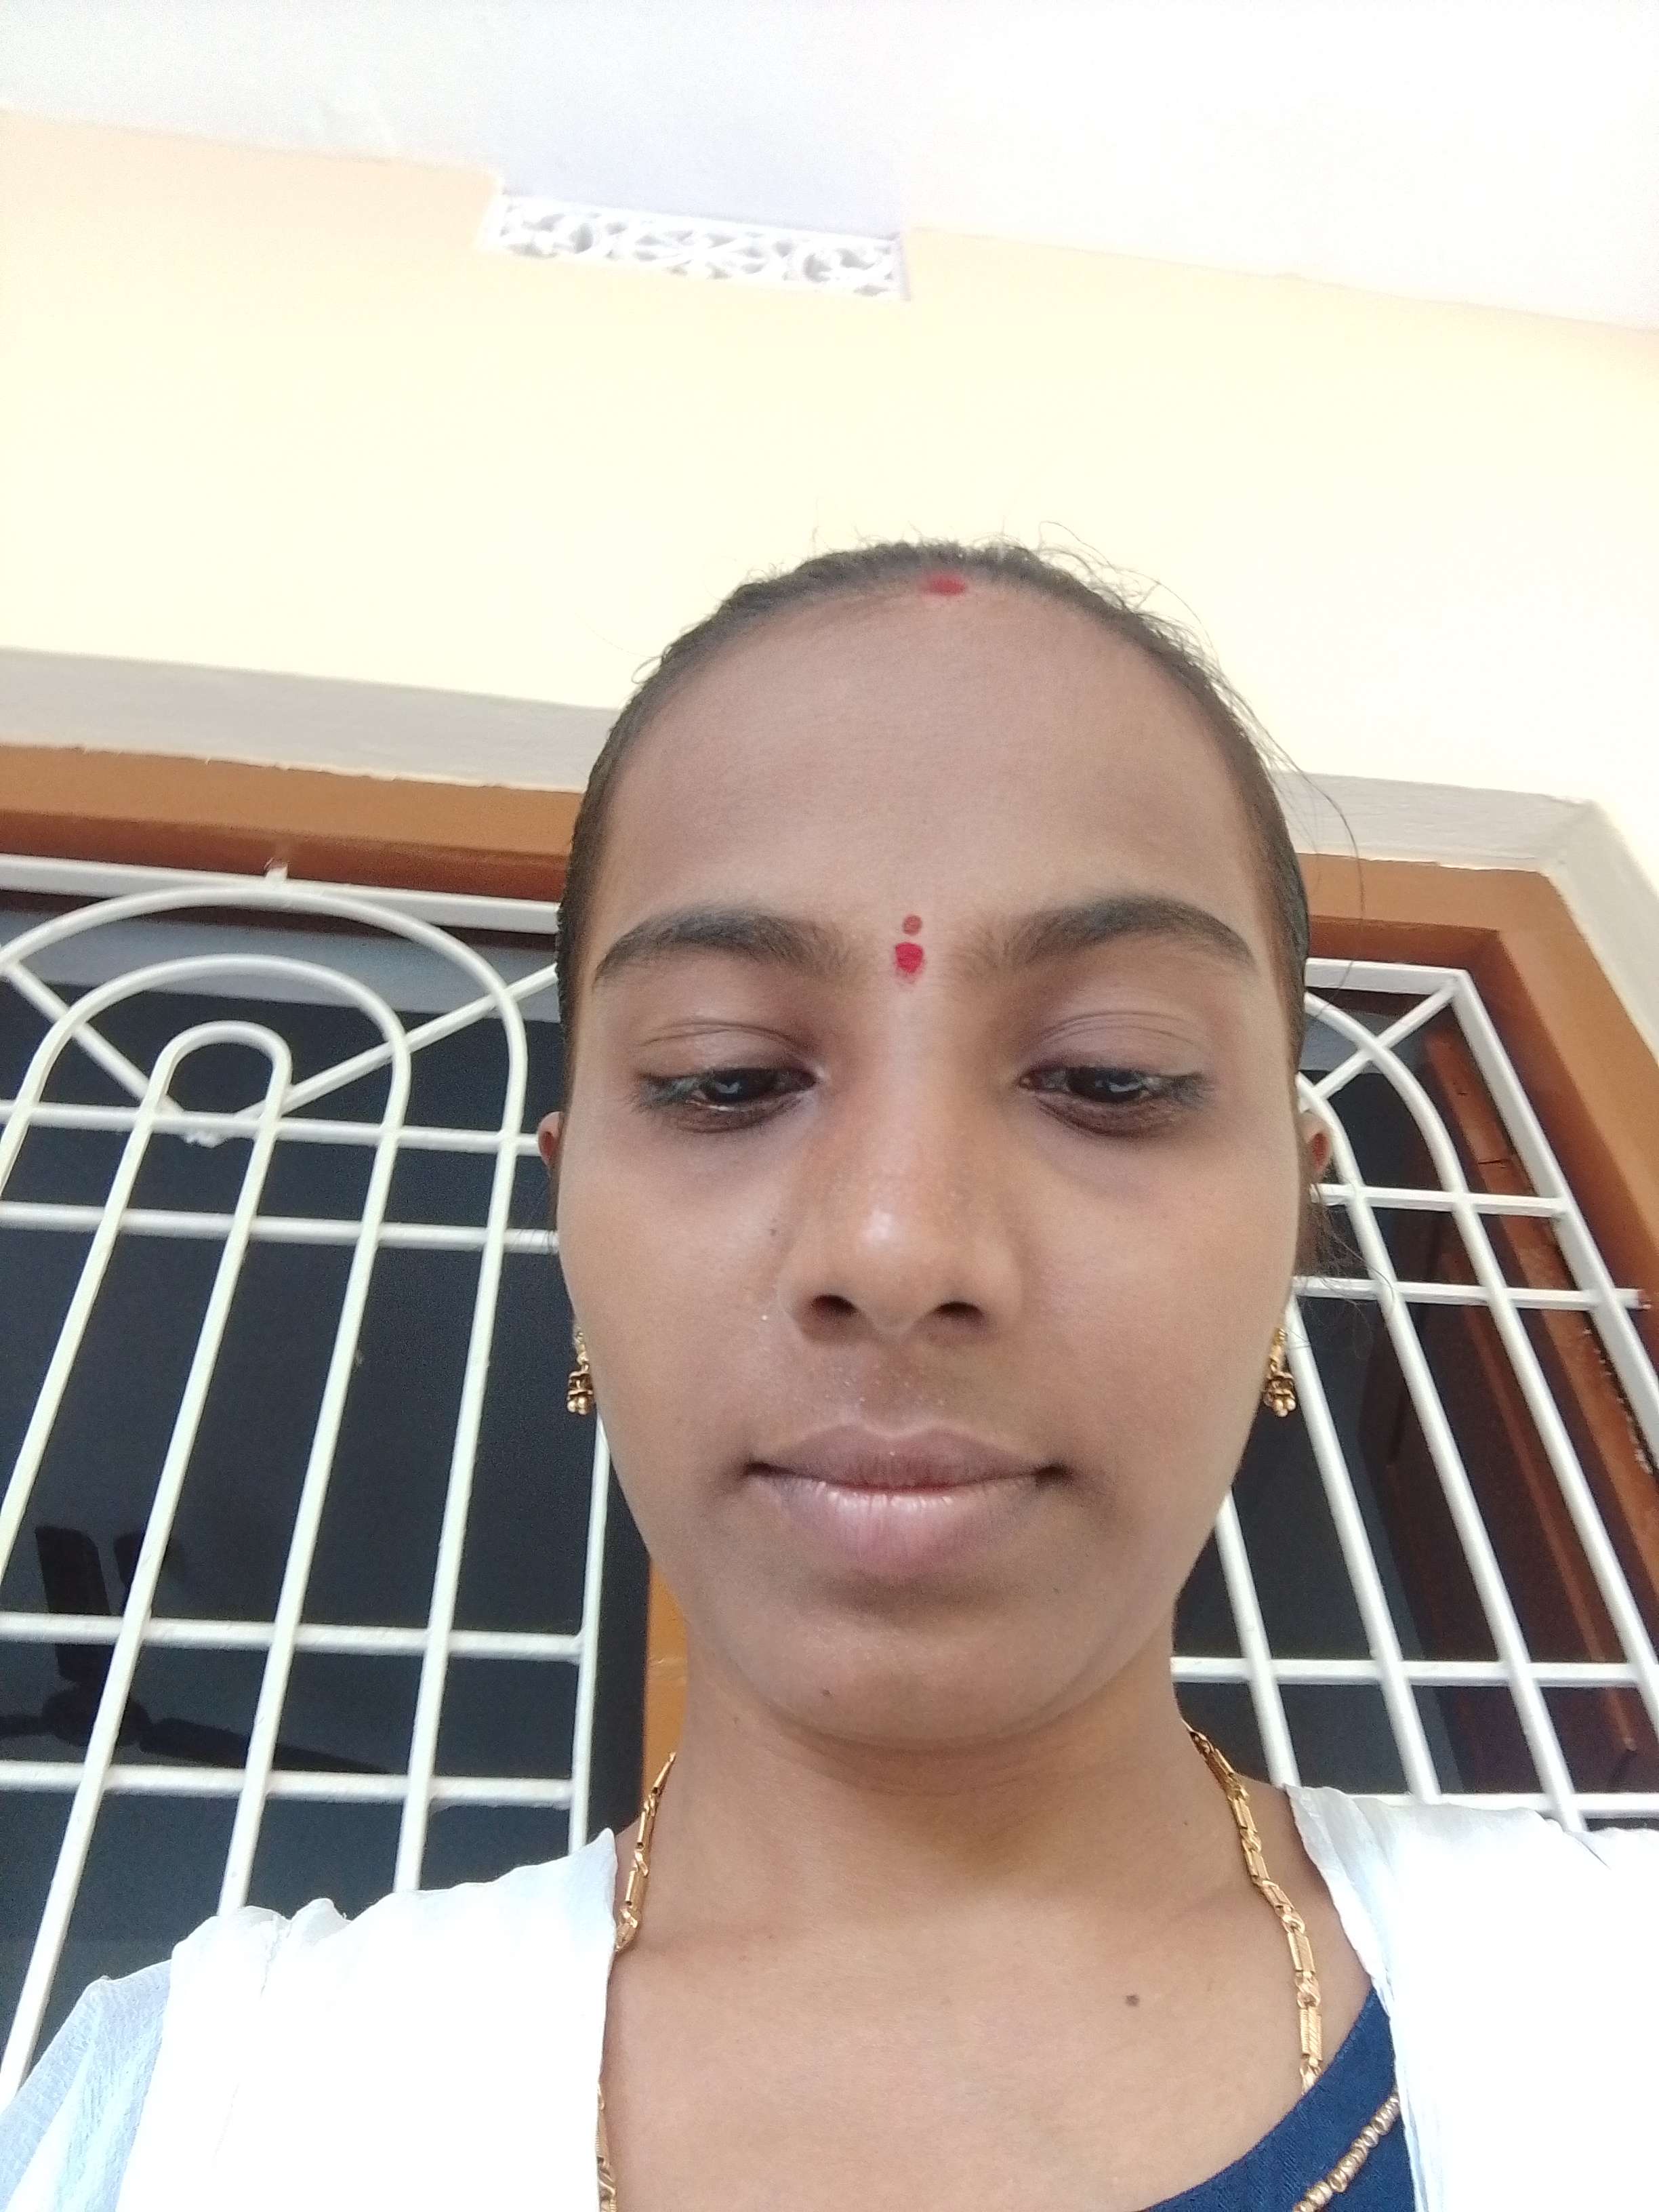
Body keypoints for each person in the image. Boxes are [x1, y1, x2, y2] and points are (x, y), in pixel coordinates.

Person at [2, 539, 1654, 2211]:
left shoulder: (1613, 2005)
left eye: (1110, 1075)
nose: (897, 1243)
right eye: (723, 1079)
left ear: (1295, 1223)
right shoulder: (199, 2124)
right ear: (569, 1225)